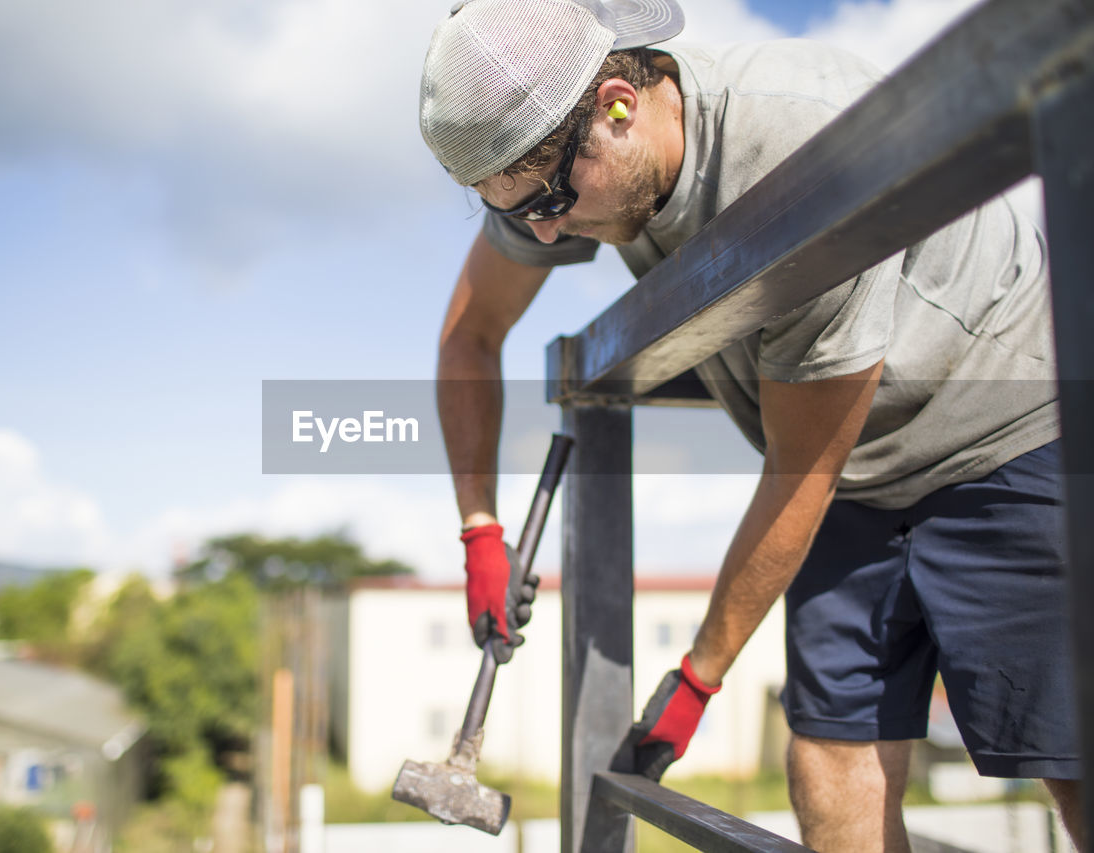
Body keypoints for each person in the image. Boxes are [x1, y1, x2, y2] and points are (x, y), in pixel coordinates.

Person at [418, 0, 1086, 850]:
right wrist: (478, 526)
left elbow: (799, 469)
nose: (543, 230)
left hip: (1010, 432)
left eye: (548, 198)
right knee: (828, 760)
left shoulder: (796, 160)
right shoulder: (565, 164)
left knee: (1070, 754)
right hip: (853, 473)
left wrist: (698, 676)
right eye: (515, 212)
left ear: (619, 103)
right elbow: (471, 335)